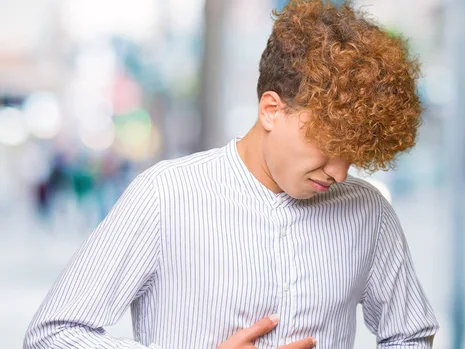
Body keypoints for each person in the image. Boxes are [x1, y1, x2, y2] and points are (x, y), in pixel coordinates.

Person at [24, 1, 438, 348]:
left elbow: (410, 335)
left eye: (354, 155)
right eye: (330, 148)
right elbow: (53, 334)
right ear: (271, 110)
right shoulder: (165, 196)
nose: (340, 172)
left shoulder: (368, 212)